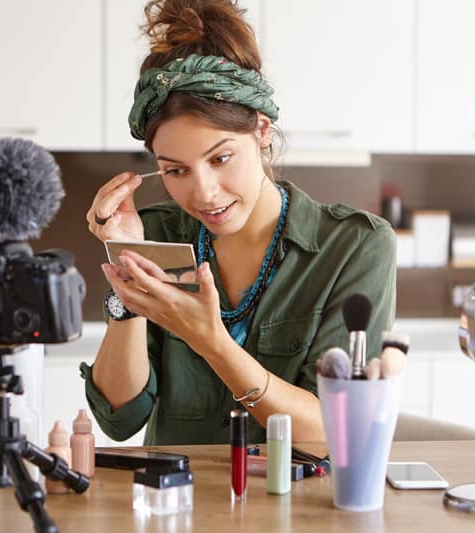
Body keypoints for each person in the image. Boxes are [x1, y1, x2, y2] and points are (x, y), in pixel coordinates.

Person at [82, 0, 396, 445]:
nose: (204, 192)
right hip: (175, 504)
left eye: (221, 158)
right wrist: (128, 278)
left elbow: (336, 429)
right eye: (175, 170)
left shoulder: (354, 247)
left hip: (299, 510)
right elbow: (119, 418)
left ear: (262, 131)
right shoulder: (157, 234)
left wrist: (212, 342)